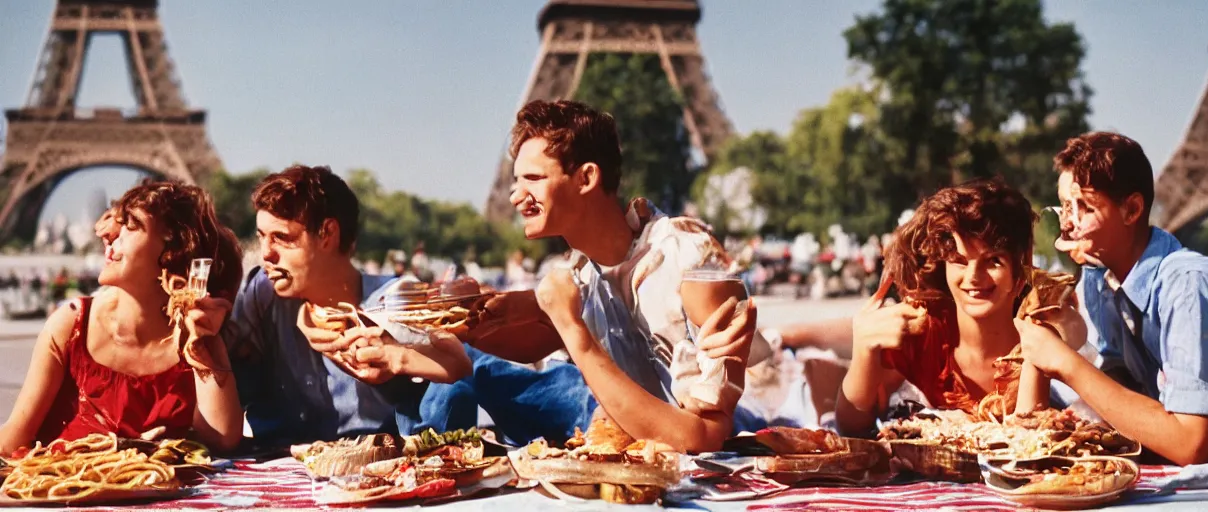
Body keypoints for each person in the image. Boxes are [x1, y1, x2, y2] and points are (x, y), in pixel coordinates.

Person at [499, 100, 760, 453]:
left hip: (769, 436)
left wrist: (572, 330)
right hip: (651, 449)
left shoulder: (691, 259)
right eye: (516, 182)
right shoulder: (582, 277)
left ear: (587, 177)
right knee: (473, 365)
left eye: (532, 178)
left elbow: (706, 439)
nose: (516, 196)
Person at [1017, 132, 1208, 465]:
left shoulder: (1190, 286)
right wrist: (1068, 343)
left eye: (1085, 207)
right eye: (1065, 206)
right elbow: (1122, 388)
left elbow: (1193, 444)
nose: (1066, 224)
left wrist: (1067, 364)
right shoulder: (1100, 278)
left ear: (1132, 209)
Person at [223, 165, 472, 448]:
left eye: (282, 238)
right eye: (261, 237)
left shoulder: (392, 298)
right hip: (280, 465)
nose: (266, 253)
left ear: (328, 234)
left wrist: (398, 356)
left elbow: (461, 370)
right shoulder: (264, 294)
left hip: (372, 468)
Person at [0, 181, 244, 454]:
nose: (111, 236)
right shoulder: (69, 326)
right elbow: (12, 442)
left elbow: (221, 440)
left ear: (173, 249)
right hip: (65, 491)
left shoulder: (192, 336)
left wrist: (202, 347)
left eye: (130, 226)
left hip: (160, 494)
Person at [823, 179, 1069, 436]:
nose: (974, 276)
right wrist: (862, 351)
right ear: (944, 266)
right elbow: (852, 429)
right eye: (960, 261)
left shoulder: (1046, 326)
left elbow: (1031, 441)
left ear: (1020, 267)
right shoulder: (926, 333)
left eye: (993, 261)